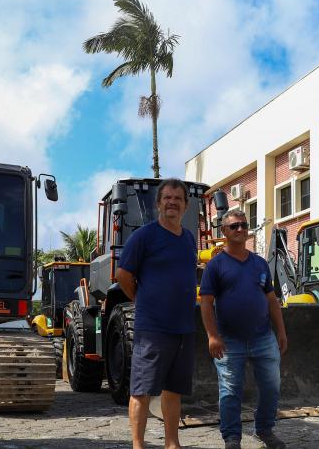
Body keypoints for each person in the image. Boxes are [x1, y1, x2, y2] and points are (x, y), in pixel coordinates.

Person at [115, 179, 198, 449]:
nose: (172, 202)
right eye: (167, 198)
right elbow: (123, 275)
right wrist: (141, 298)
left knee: (173, 390)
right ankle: (138, 445)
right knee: (141, 390)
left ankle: (172, 443)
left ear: (186, 205)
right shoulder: (144, 236)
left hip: (183, 328)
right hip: (152, 328)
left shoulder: (189, 239)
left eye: (178, 198)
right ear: (158, 203)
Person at [199, 209, 288, 449]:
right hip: (229, 341)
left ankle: (265, 430)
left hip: (263, 338)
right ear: (224, 231)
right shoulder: (215, 266)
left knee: (271, 387)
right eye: (234, 226)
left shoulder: (259, 263)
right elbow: (206, 304)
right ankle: (232, 438)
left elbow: (271, 300)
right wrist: (212, 336)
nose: (240, 229)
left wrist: (281, 331)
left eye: (243, 225)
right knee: (230, 391)